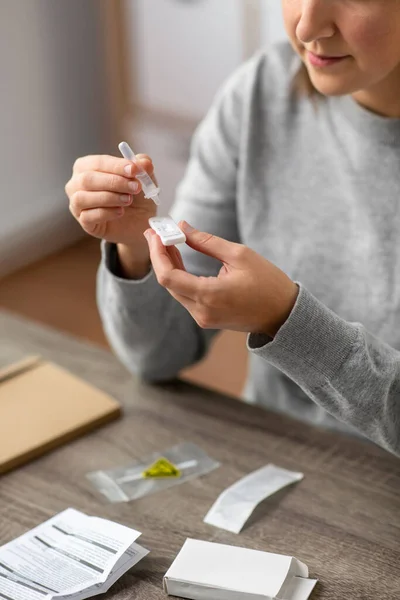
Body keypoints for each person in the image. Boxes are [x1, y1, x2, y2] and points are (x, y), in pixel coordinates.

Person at [65, 0, 400, 456]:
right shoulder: (259, 93)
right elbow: (159, 354)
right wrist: (136, 249)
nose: (306, 26)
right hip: (275, 458)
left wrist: (287, 321)